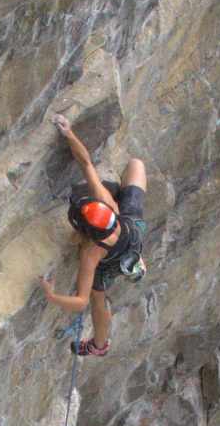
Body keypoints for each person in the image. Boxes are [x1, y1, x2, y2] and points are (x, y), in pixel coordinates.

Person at [38, 115, 147, 357]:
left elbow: (82, 301)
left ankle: (99, 346)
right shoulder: (107, 204)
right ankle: (136, 261)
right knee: (136, 166)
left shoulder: (91, 255)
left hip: (110, 260)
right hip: (132, 229)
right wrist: (69, 133)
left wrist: (50, 295)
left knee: (99, 298)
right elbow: (85, 162)